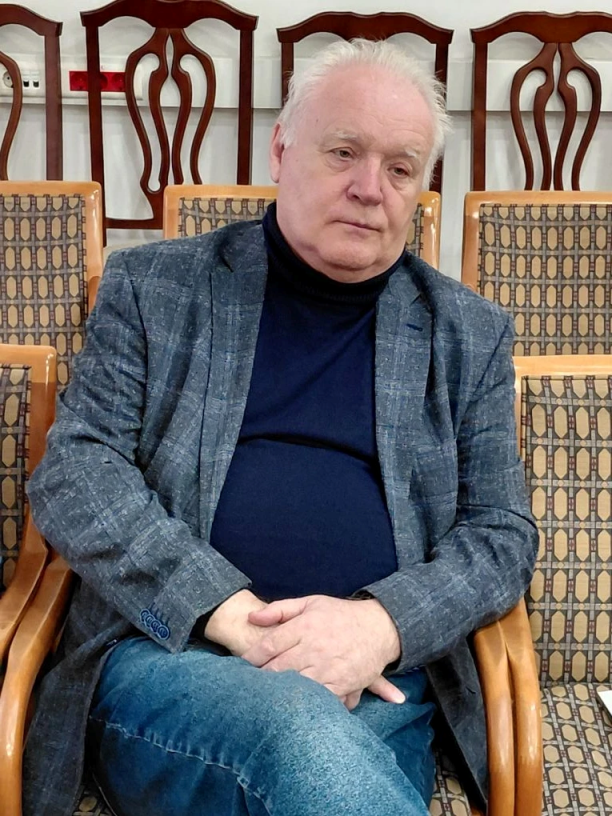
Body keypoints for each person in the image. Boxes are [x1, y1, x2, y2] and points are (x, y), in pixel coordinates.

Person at [24, 39, 538, 816]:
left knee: (321, 759)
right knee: (300, 732)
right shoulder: (154, 287)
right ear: (281, 148)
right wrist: (230, 615)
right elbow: (77, 472)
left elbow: (501, 534)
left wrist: (380, 626)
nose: (370, 188)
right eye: (344, 152)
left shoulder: (468, 333)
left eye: (401, 168)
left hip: (376, 683)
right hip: (172, 660)